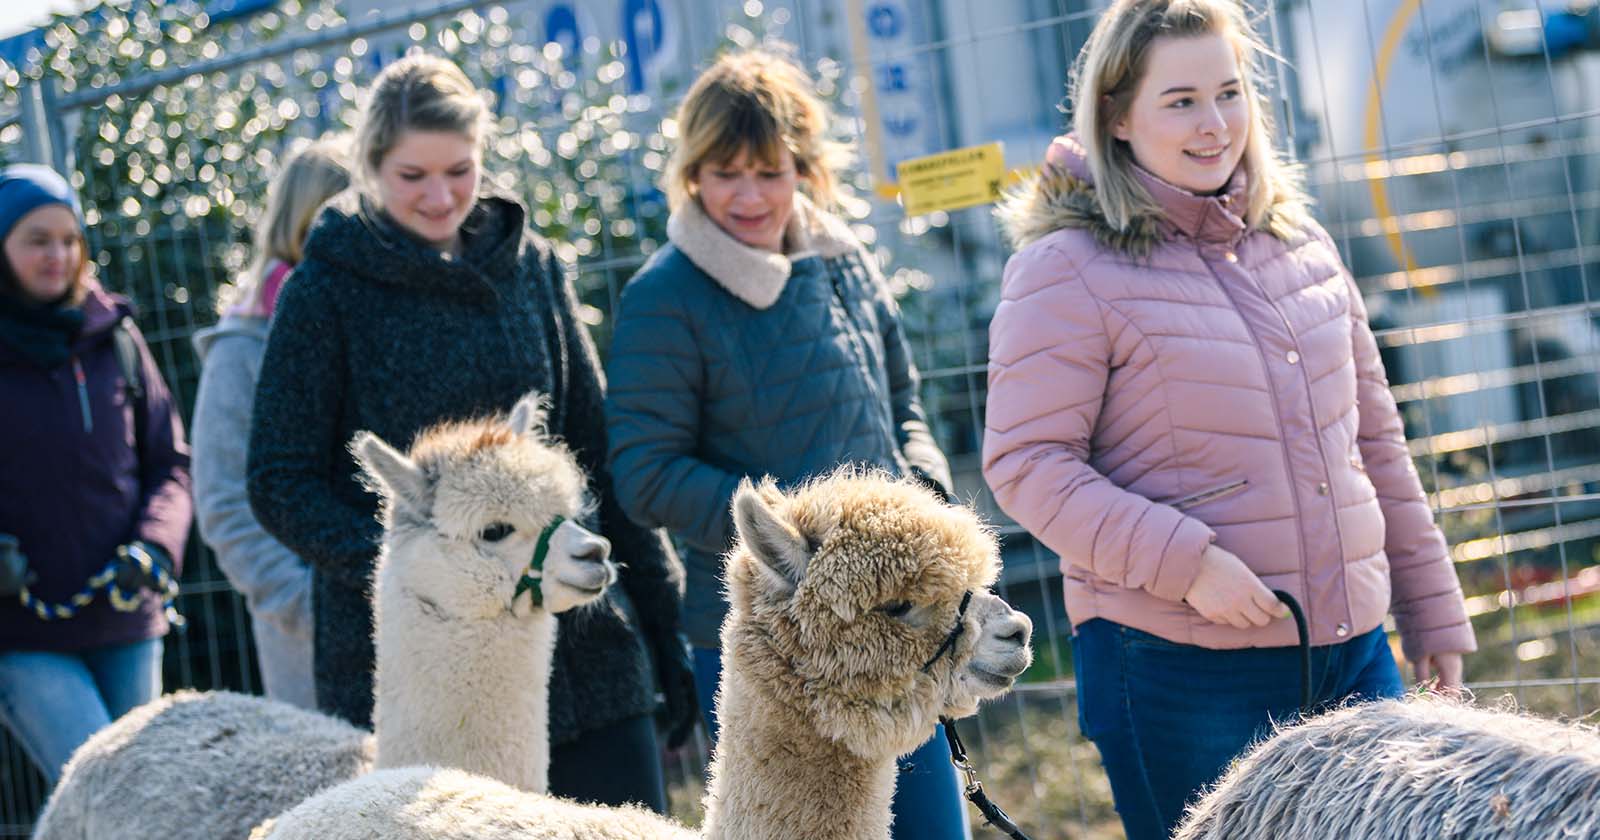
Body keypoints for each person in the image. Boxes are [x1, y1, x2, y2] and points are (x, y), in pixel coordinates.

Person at [982, 2, 1477, 838]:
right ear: (1117, 115)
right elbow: (1027, 465)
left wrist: (1432, 611)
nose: (1214, 125)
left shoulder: (1305, 248)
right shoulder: (1065, 268)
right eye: (1179, 101)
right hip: (1179, 672)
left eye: (1230, 92)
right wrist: (1189, 565)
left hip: (1354, 651)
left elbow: (1376, 448)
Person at [245, 55, 693, 812]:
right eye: (412, 175)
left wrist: (662, 617)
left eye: (460, 169)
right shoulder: (325, 293)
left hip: (579, 652)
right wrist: (427, 567)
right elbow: (278, 479)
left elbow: (597, 452)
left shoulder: (532, 268)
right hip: (422, 677)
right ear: (370, 167)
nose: (441, 195)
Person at [605, 48, 970, 840]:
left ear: (802, 168)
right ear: (692, 173)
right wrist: (802, 549)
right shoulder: (664, 297)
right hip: (778, 647)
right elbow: (644, 471)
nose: (748, 195)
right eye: (724, 171)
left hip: (901, 627)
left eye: (769, 171)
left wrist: (928, 507)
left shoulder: (844, 263)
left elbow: (902, 400)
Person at [0, 164, 191, 785]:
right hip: (20, 631)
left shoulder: (118, 339)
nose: (57, 255)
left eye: (69, 239)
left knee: (141, 797)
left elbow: (170, 464)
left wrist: (157, 548)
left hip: (124, 612)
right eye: (37, 239)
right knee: (101, 790)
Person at [192, 136, 350, 710]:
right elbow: (224, 503)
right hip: (311, 653)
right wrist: (307, 606)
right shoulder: (244, 349)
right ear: (297, 228)